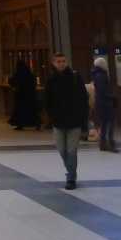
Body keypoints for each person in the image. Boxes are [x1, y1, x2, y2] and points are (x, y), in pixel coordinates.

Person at [44, 53, 89, 190]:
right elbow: (47, 100)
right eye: (58, 61)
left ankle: (71, 178)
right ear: (53, 63)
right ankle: (71, 171)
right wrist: (51, 116)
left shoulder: (75, 78)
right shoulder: (51, 80)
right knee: (62, 150)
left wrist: (84, 122)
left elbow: (83, 100)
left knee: (71, 151)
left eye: (63, 61)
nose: (61, 64)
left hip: (74, 122)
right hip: (58, 122)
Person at [91, 57, 119, 153]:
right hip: (105, 103)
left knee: (104, 124)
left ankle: (103, 144)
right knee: (109, 124)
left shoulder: (97, 74)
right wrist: (112, 97)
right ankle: (109, 144)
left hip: (101, 102)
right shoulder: (101, 75)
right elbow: (103, 91)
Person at [8, 59, 39, 130]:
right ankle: (37, 124)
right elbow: (34, 83)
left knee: (20, 111)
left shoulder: (18, 73)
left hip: (21, 96)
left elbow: (12, 81)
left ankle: (20, 125)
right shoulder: (30, 73)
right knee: (32, 111)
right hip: (30, 96)